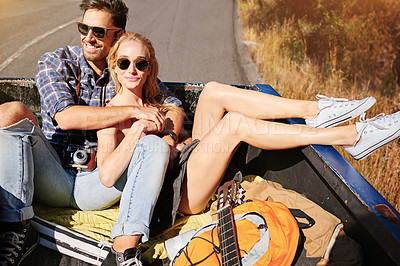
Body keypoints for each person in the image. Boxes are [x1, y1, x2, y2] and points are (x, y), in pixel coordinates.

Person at [101, 31, 400, 262]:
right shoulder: (110, 114)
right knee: (235, 124)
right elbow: (107, 174)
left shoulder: (157, 103)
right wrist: (142, 134)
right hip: (171, 195)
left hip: (185, 164)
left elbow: (177, 126)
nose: (132, 70)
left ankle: (317, 110)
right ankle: (351, 136)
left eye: (140, 63)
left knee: (213, 92)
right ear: (114, 68)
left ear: (150, 67)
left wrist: (175, 138)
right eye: (124, 63)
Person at [0, 1, 183, 265]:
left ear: (118, 35)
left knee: (154, 145)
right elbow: (65, 117)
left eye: (98, 31)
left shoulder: (125, 67)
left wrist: (169, 138)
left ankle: (126, 253)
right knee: (10, 112)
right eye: (83, 28)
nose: (88, 37)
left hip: (103, 180)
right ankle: (14, 231)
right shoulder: (57, 61)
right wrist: (134, 112)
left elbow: (174, 108)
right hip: (53, 172)